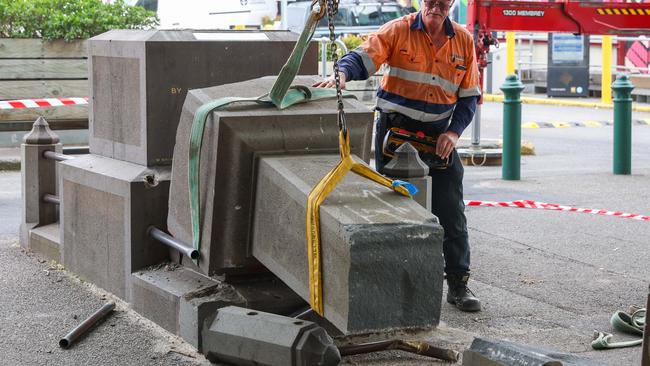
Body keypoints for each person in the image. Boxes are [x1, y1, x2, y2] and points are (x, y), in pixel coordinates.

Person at [314, 0, 482, 312]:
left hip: (438, 135)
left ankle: (459, 284)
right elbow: (364, 56)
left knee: (451, 209)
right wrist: (342, 75)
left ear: (452, 4)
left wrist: (454, 132)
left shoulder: (463, 41)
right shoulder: (398, 30)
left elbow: (470, 97)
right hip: (396, 132)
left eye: (443, 2)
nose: (436, 6)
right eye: (431, 1)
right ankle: (386, 283)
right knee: (391, 208)